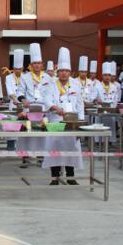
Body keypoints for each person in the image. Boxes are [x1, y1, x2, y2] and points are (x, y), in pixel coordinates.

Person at [43, 47, 84, 185]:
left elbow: (80, 105)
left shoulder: (76, 85)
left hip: (71, 122)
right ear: (57, 72)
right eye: (61, 71)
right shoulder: (50, 84)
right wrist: (55, 107)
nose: (64, 74)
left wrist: (80, 124)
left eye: (66, 71)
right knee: (54, 148)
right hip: (55, 121)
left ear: (70, 72)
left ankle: (70, 176)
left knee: (70, 148)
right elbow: (46, 101)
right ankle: (54, 177)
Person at [18, 43, 52, 168]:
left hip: (43, 109)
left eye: (39, 63)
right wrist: (23, 100)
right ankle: (25, 158)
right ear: (31, 65)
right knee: (27, 134)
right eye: (34, 63)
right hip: (29, 109)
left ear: (42, 65)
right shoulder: (25, 77)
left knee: (42, 134)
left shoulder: (48, 78)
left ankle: (41, 157)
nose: (37, 65)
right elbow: (20, 92)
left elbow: (51, 93)